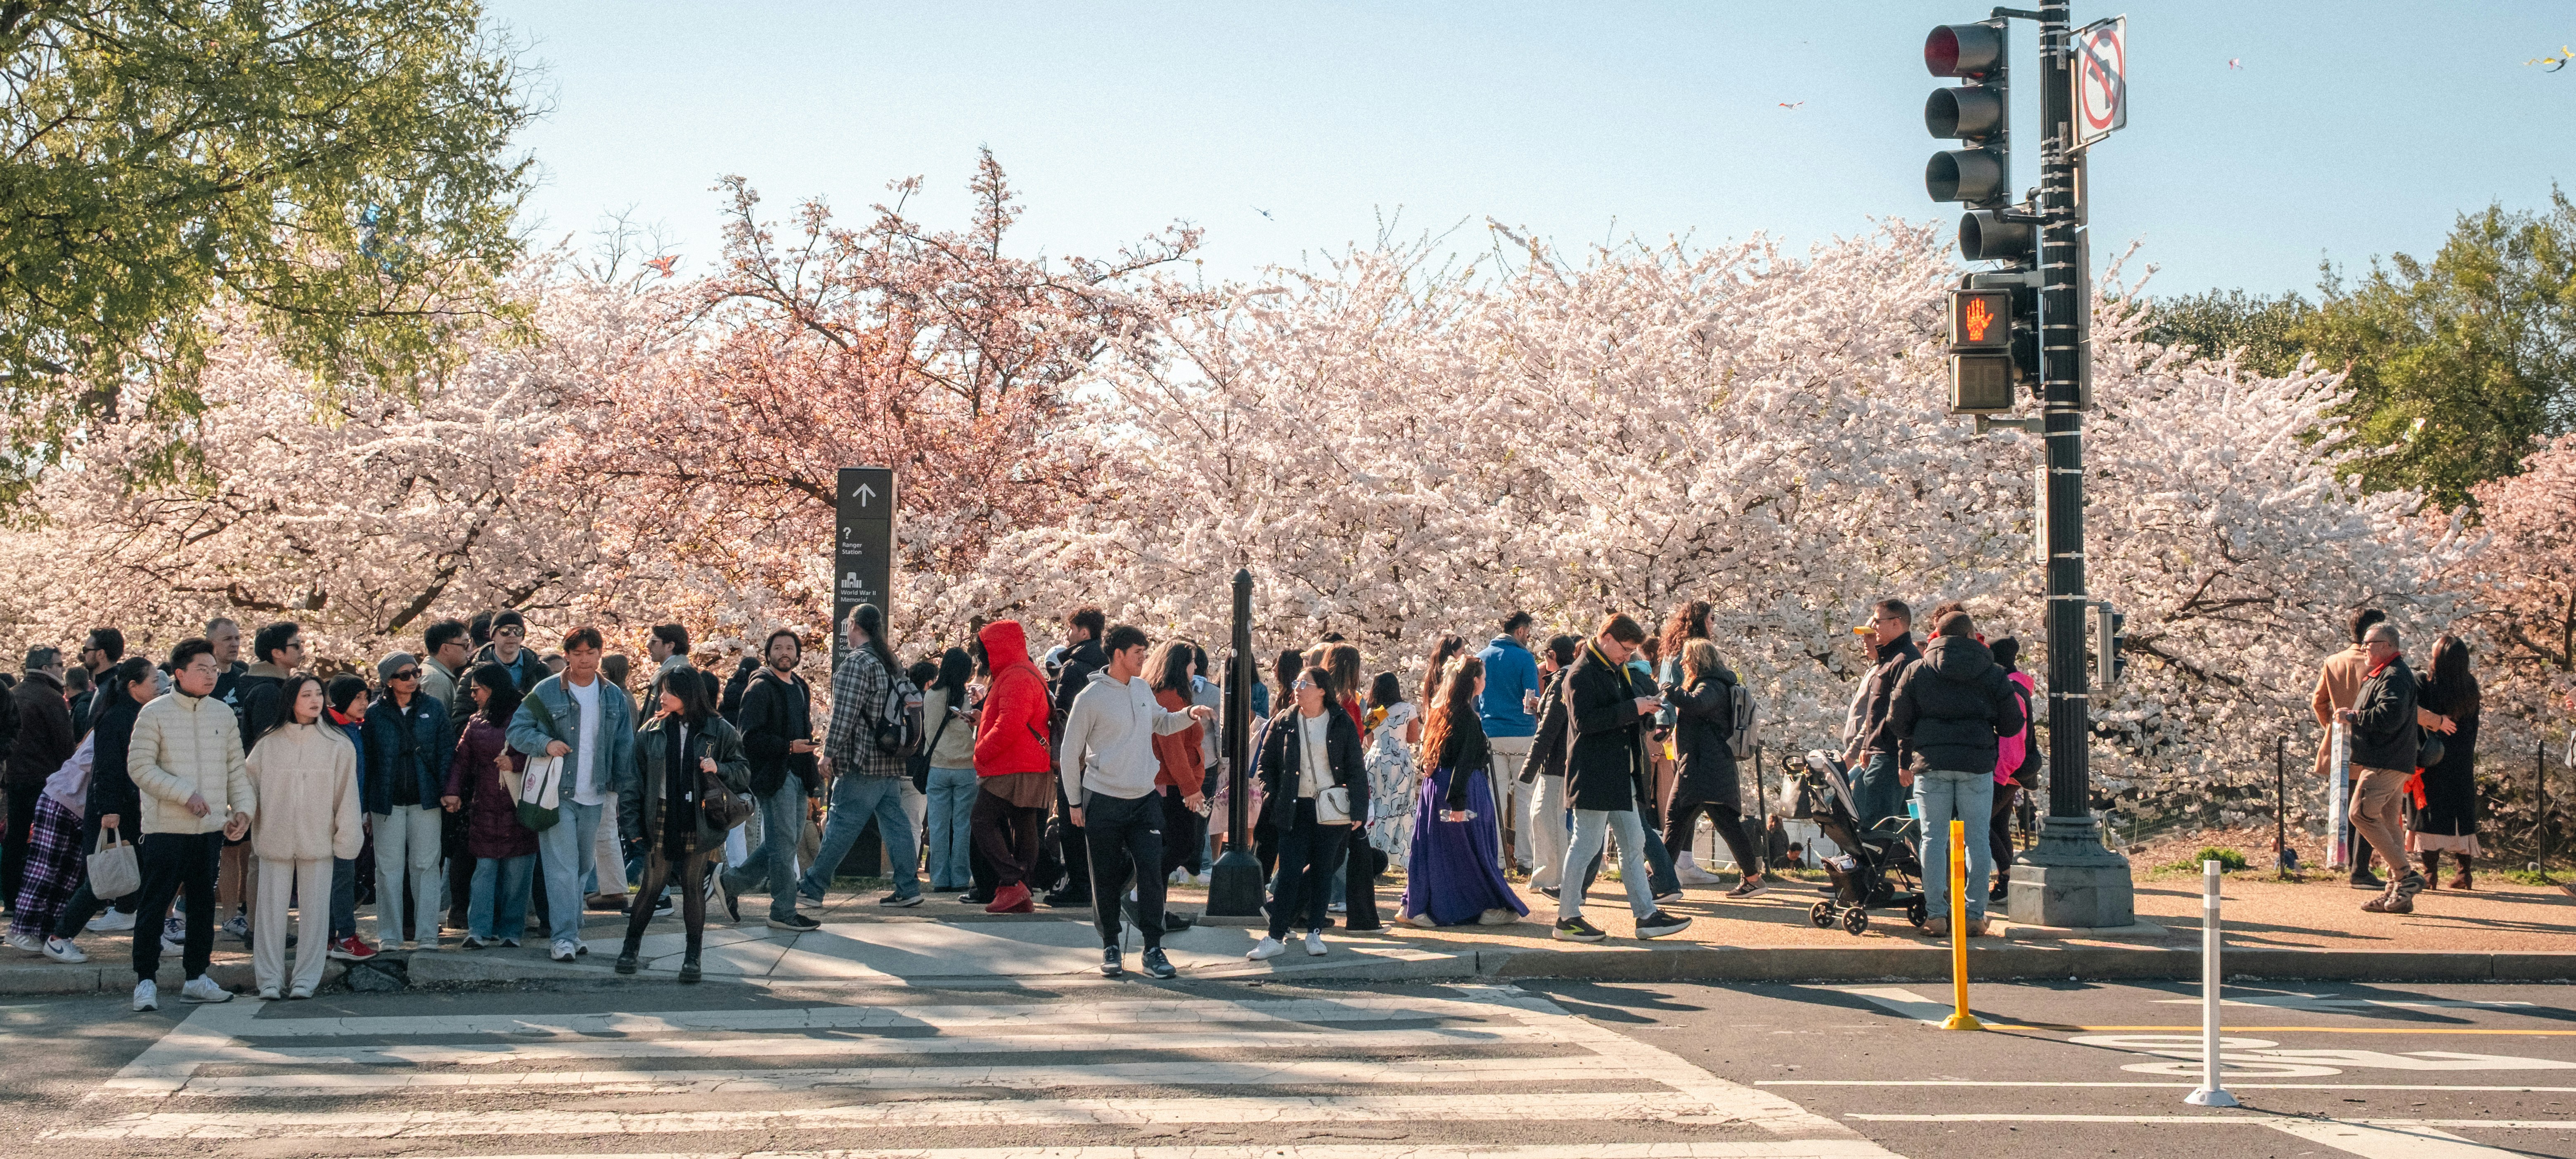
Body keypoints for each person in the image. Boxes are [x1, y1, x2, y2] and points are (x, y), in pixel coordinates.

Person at [1061, 628, 1214, 978]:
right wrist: (1073, 802)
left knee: (1151, 872)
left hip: (1143, 798)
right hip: (1103, 797)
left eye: (1145, 652)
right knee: (1105, 876)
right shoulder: (1091, 697)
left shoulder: (1143, 689)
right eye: (1138, 652)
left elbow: (1161, 723)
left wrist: (1188, 714)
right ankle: (1111, 945)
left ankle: (1153, 948)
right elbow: (1071, 752)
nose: (1145, 658)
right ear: (1117, 655)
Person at [126, 638, 256, 1010]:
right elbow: (140, 768)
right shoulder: (154, 713)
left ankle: (197, 976)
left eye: (215, 669)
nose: (211, 675)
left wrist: (242, 811)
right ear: (179, 673)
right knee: (155, 904)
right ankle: (145, 980)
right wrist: (185, 794)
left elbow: (236, 768)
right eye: (203, 669)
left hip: (210, 828)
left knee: (201, 905)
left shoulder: (222, 713)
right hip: (165, 826)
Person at [1887, 609, 2025, 938]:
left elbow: (1897, 722)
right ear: (1969, 635)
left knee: (1933, 839)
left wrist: (1921, 731)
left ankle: (1936, 915)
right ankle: (1975, 915)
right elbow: (2013, 723)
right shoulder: (1991, 673)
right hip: (1976, 765)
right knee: (1977, 838)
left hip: (1931, 764)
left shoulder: (1916, 670)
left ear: (1936, 635)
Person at [1553, 615, 1690, 943]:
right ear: (1607, 637)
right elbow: (1584, 722)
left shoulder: (1615, 670)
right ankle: (1567, 917)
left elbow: (1622, 714)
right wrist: (1634, 707)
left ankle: (1646, 916)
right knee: (1586, 844)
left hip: (1619, 774)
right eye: (1625, 650)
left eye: (1631, 652)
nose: (1627, 656)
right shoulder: (1581, 673)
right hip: (1595, 773)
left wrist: (1646, 714)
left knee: (1633, 843)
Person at [612, 661, 751, 982]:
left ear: (688, 695)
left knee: (692, 886)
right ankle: (630, 948)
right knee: (652, 885)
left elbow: (743, 772)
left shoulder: (720, 730)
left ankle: (693, 957)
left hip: (700, 815)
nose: (661, 698)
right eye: (662, 691)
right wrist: (632, 828)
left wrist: (720, 768)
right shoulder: (652, 731)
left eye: (669, 692)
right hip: (660, 812)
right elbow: (633, 783)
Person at [508, 627, 635, 961]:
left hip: (596, 792)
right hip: (557, 793)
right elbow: (517, 730)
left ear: (600, 655)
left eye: (590, 653)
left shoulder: (613, 696)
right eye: (577, 653)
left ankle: (572, 930)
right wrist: (545, 744)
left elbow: (625, 745)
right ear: (566, 655)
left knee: (581, 865)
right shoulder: (547, 691)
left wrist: (622, 791)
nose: (584, 659)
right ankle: (563, 936)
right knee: (561, 866)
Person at [244, 676, 363, 999]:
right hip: (274, 838)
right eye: (306, 695)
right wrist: (239, 816)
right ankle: (268, 980)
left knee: (315, 915)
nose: (314, 701)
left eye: (318, 694)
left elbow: (347, 796)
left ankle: (305, 980)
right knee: (269, 914)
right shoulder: (268, 743)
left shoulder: (338, 744)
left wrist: (347, 838)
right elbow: (247, 789)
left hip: (318, 840)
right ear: (290, 700)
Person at [806, 604, 922, 910]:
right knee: (895, 824)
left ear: (854, 625)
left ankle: (813, 887)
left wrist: (828, 754)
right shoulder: (890, 663)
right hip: (890, 758)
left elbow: (844, 715)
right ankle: (908, 887)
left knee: (842, 823)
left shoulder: (857, 664)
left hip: (862, 760)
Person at [1249, 665, 1368, 960]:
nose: (1298, 688)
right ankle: (1275, 936)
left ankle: (1315, 932)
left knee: (1323, 871)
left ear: (1322, 690)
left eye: (1305, 683)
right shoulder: (1285, 720)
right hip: (1294, 806)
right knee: (1289, 872)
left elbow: (1356, 768)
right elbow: (1266, 764)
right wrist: (1273, 797)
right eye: (1296, 682)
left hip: (1331, 808)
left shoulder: (1340, 721)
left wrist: (1359, 808)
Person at [45, 657, 160, 960]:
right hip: (113, 812)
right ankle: (60, 936)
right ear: (134, 686)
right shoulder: (117, 718)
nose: (158, 687)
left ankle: (153, 937)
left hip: (130, 809)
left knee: (141, 875)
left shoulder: (136, 714)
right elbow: (108, 768)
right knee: (102, 879)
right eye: (154, 681)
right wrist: (110, 811)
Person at [1400, 655, 1526, 927]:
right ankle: (1478, 905)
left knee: (1434, 846)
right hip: (1463, 792)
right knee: (1471, 849)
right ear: (1474, 682)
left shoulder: (1439, 711)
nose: (1485, 682)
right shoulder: (1468, 717)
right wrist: (1458, 805)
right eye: (1483, 677)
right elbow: (1466, 762)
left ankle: (1418, 903)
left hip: (1435, 792)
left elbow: (1428, 756)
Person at [723, 629, 824, 931]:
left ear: (797, 654)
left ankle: (728, 883)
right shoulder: (760, 688)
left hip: (797, 774)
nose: (784, 652)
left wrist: (812, 780)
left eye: (790, 648)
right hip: (774, 776)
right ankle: (783, 910)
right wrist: (788, 747)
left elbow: (804, 731)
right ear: (768, 654)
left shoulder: (800, 688)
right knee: (783, 846)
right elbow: (748, 738)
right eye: (778, 648)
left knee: (785, 842)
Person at [443, 663, 537, 949]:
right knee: (484, 873)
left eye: (477, 689)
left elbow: (542, 753)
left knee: (516, 876)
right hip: (485, 806)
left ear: (493, 688)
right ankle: (479, 929)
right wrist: (453, 792)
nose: (473, 695)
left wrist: (516, 763)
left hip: (519, 805)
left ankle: (510, 930)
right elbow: (461, 760)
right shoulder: (475, 722)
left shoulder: (526, 718)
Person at [1664, 639, 1766, 897]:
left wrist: (1670, 690)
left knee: (1676, 820)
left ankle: (1662, 879)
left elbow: (1697, 704)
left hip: (1701, 768)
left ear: (1698, 660)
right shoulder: (1720, 683)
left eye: (1686, 658)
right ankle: (1753, 879)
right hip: (1712, 768)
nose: (1683, 663)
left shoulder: (1711, 685)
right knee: (1727, 824)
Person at [363, 653, 449, 951]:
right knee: (387, 869)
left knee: (426, 866)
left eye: (415, 673)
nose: (412, 679)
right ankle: (389, 935)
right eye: (404, 675)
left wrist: (450, 790)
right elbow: (369, 761)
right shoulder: (374, 714)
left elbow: (446, 751)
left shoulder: (434, 708)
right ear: (388, 681)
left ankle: (427, 934)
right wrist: (365, 807)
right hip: (386, 801)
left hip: (426, 799)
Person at [2342, 622, 2427, 914]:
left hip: (2385, 760)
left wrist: (2353, 716)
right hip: (2392, 759)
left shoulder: (2394, 676)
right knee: (2391, 825)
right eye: (2365, 643)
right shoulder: (2385, 674)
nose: (2365, 647)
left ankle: (2406, 875)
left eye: (2370, 643)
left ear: (2388, 646)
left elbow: (2388, 717)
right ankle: (2396, 892)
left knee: (2360, 814)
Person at [970, 620, 1053, 913]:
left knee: (982, 820)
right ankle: (1022, 891)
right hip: (1031, 762)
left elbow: (1009, 724)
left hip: (1012, 765)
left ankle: (1012, 880)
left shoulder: (1015, 676)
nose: (982, 657)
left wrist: (981, 751)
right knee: (1024, 824)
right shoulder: (1025, 672)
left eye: (985, 651)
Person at [2313, 608, 2393, 887]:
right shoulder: (2378, 666)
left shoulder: (2334, 661)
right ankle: (2360, 869)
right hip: (2369, 742)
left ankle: (2345, 861)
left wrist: (2333, 731)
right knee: (2366, 809)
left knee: (2347, 805)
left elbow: (2318, 702)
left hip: (2340, 743)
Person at [1842, 599, 1922, 834]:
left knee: (1876, 826)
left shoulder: (1904, 660)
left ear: (1896, 624)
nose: (1873, 628)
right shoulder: (1890, 660)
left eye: (1877, 622)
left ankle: (1869, 870)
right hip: (1881, 753)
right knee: (1894, 825)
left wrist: (1903, 760)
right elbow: (1876, 713)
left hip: (1890, 757)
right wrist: (1867, 746)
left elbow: (1903, 716)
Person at [1141, 641, 1209, 918]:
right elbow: (1174, 751)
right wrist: (1191, 789)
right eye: (1192, 662)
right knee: (1182, 845)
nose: (1195, 667)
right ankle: (1145, 898)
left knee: (1173, 846)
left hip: (1169, 783)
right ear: (1179, 666)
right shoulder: (1172, 699)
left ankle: (1157, 907)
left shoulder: (1163, 694)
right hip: (1172, 784)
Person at [7, 647, 76, 907]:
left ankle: (12, 898)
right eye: (59, 665)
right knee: (48, 841)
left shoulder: (12, 695)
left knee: (16, 837)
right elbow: (64, 746)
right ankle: (42, 897)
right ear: (47, 668)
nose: (62, 670)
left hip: (15, 777)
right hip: (46, 781)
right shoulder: (52, 699)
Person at [1476, 613, 1542, 874]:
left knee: (1496, 796)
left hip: (1491, 732)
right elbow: (1530, 699)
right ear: (1522, 631)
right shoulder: (1525, 658)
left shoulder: (1482, 657)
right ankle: (1526, 860)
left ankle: (1499, 860)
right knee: (1526, 797)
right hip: (1522, 732)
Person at [2414, 634, 2481, 890]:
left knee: (2429, 813)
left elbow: (2414, 714)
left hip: (2432, 757)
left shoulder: (2426, 683)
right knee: (2461, 814)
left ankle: (2430, 874)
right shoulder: (2470, 687)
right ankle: (2464, 874)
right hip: (2461, 758)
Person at [910, 646, 979, 896]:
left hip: (938, 768)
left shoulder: (931, 696)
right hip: (965, 768)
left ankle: (940, 878)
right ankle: (960, 878)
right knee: (963, 826)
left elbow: (927, 731)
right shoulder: (968, 698)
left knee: (938, 826)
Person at [1519, 634, 1581, 895]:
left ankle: (1551, 878)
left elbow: (1548, 729)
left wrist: (1529, 767)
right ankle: (1547, 876)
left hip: (1555, 762)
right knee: (1545, 818)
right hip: (1558, 760)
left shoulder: (1559, 683)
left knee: (1547, 820)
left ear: (1553, 655)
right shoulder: (1567, 681)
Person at [1987, 638, 2039, 904]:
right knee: (1998, 824)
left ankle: (2008, 876)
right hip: (2015, 770)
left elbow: (2013, 741)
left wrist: (2001, 774)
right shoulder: (2019, 686)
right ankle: (2008, 881)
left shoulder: (2011, 690)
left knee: (1980, 820)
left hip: (2007, 769)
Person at [1362, 671, 1420, 866]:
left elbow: (1368, 741)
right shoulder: (1408, 709)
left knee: (1377, 807)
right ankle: (1397, 854)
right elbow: (1413, 738)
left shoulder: (1374, 713)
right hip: (1400, 762)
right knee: (1400, 807)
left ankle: (1374, 853)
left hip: (1376, 762)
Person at [75, 627, 126, 736]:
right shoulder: (120, 682)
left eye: (86, 650)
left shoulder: (109, 690)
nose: (84, 655)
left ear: (101, 654)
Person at [482, 610, 547, 692]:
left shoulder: (540, 670)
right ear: (494, 636)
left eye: (518, 631)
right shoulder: (477, 671)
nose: (512, 635)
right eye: (505, 631)